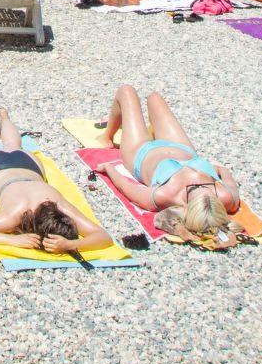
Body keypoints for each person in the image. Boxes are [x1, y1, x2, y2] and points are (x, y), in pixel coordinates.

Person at [96, 85, 246, 248]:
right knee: (154, 97)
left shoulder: (165, 195)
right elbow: (223, 170)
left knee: (126, 92)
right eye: (205, 188)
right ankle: (152, 130)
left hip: (140, 151)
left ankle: (107, 136)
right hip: (181, 147)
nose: (200, 186)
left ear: (185, 208)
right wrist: (215, 171)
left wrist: (108, 168)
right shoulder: (226, 197)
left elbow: (127, 187)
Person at [0, 109, 113, 256]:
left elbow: (104, 236)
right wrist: (13, 240)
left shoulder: (58, 205)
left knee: (5, 145)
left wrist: (69, 244)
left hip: (27, 164)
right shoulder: (15, 216)